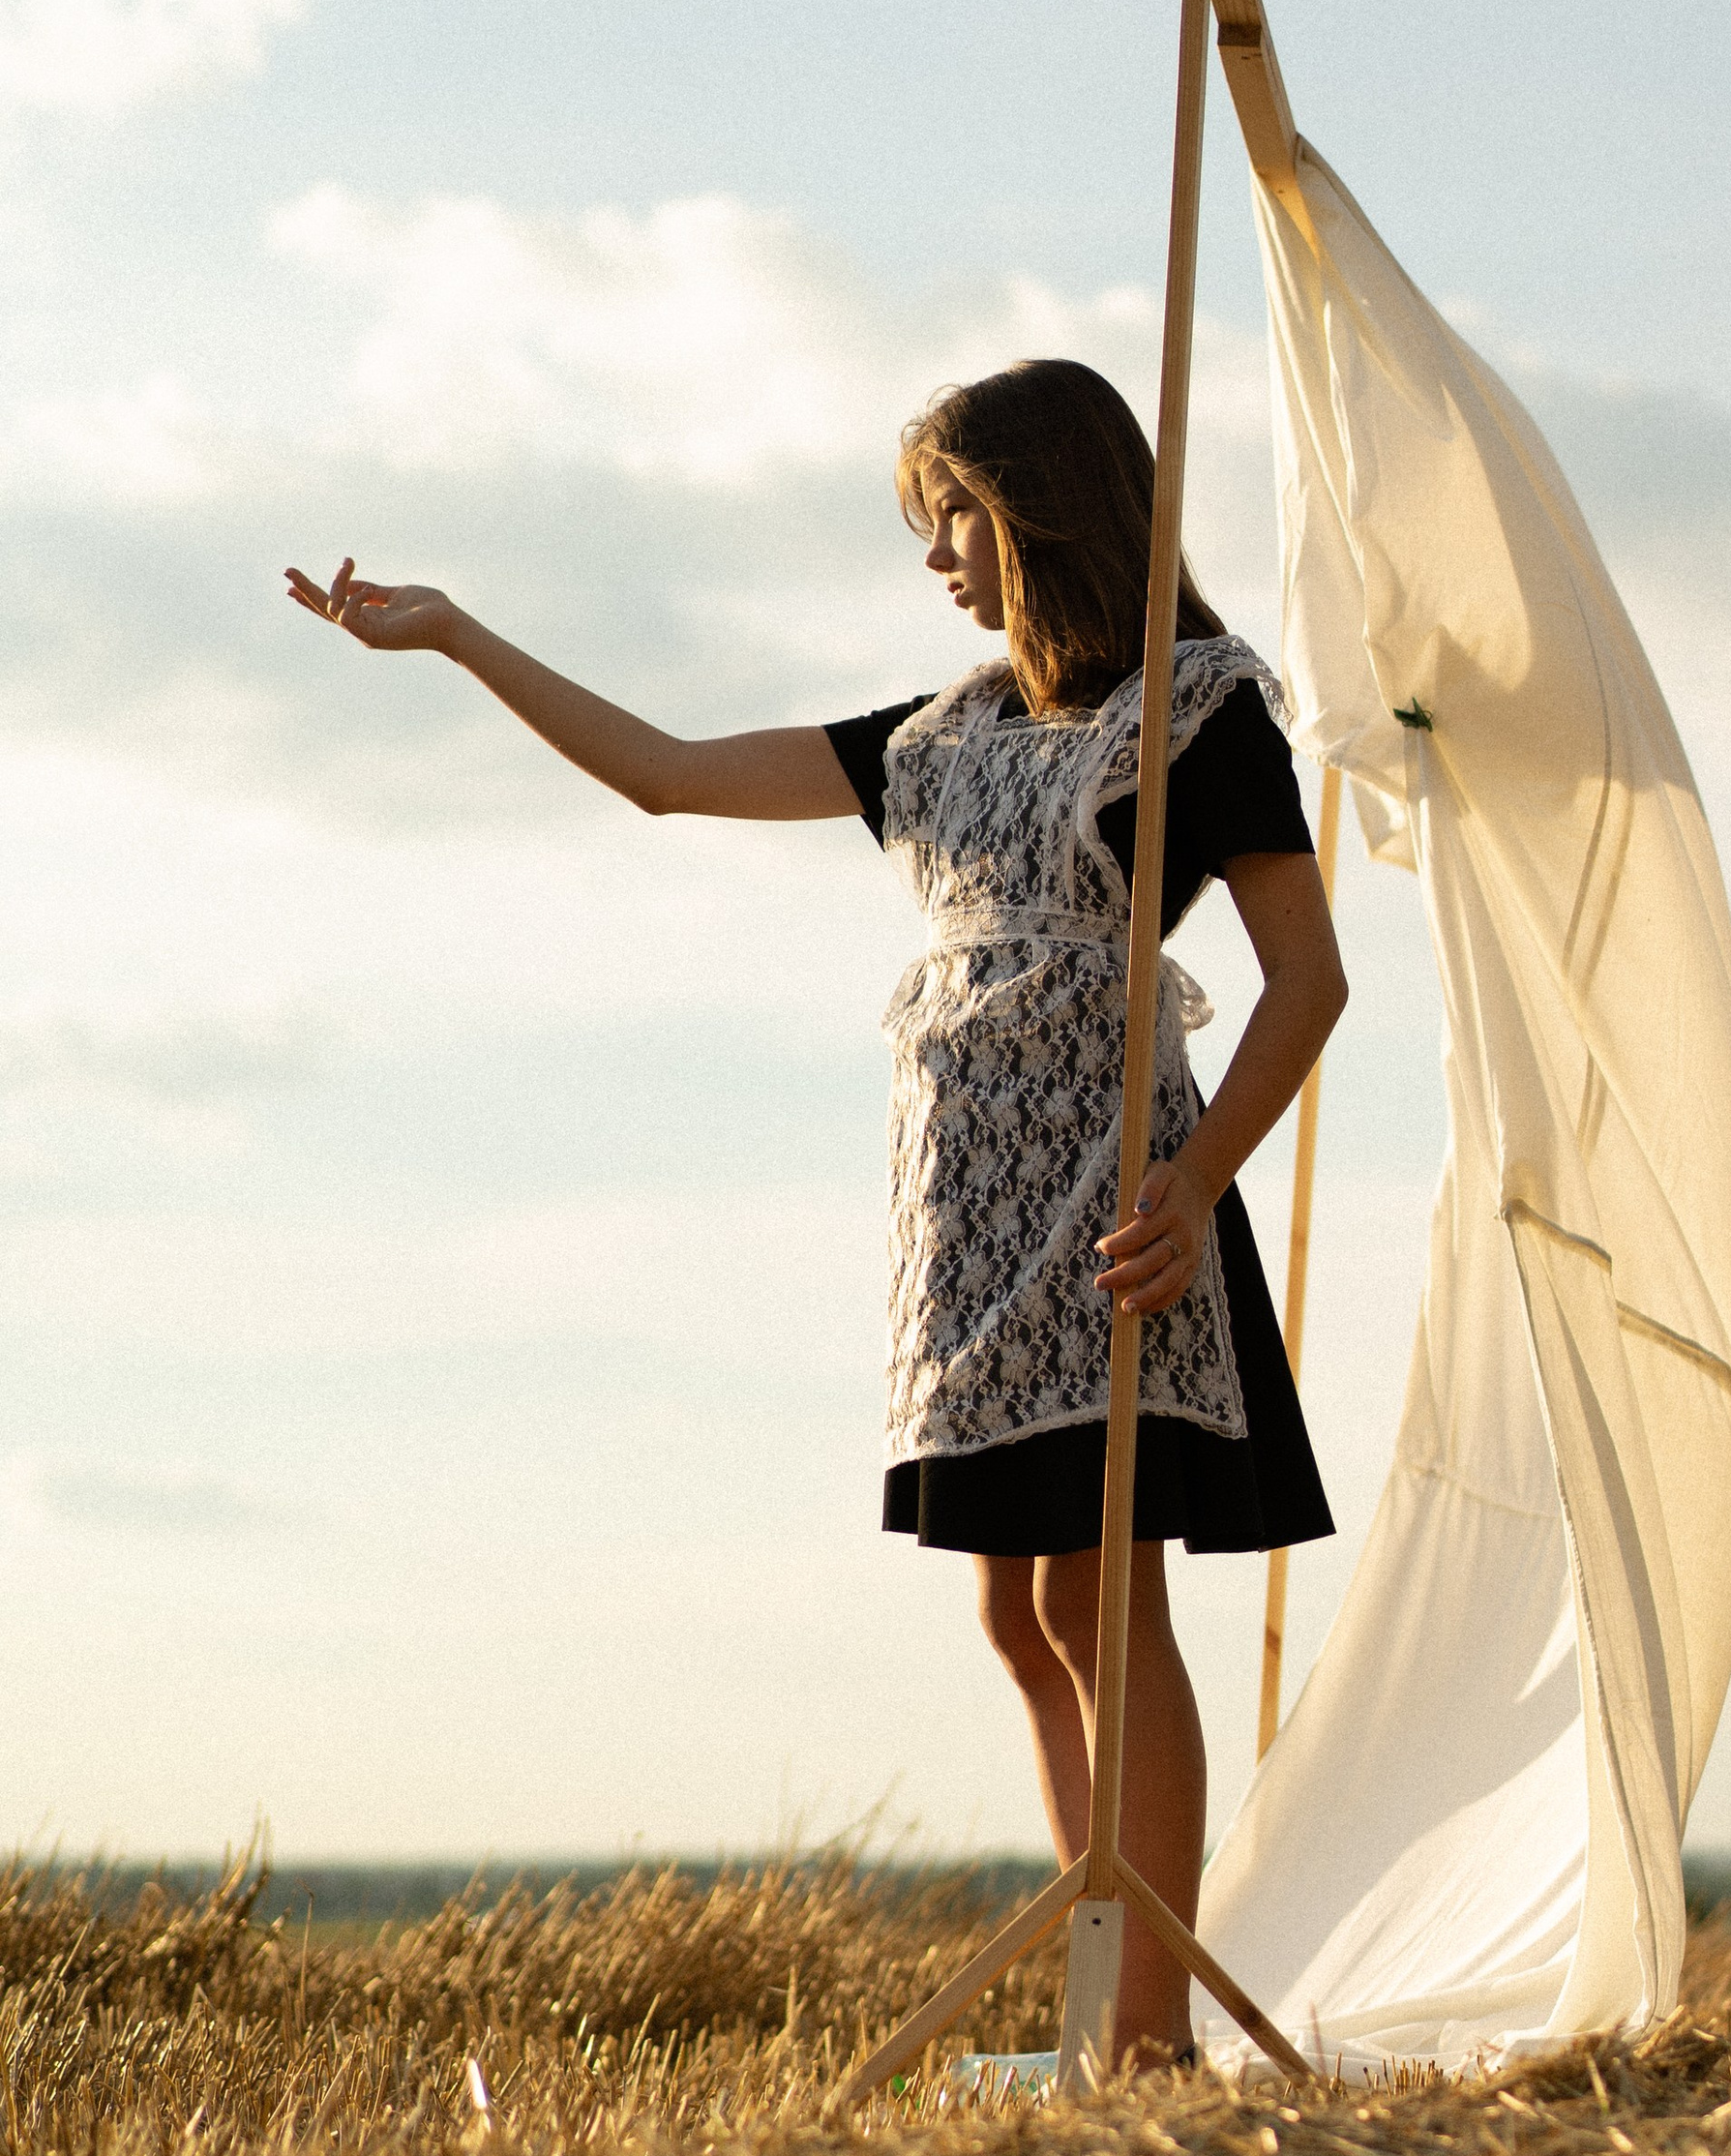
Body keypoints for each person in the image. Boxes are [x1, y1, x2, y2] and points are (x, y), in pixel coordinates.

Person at [284, 356, 1347, 2069]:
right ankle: (1106, 2002)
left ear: (1041, 506)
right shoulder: (940, 739)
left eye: (954, 517)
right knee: (1020, 1613)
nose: (936, 557)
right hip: (964, 1218)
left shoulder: (1199, 707)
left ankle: (1145, 2038)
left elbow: (1308, 978)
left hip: (1113, 1201)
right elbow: (666, 771)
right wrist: (462, 637)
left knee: (1106, 1609)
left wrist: (1199, 1175)